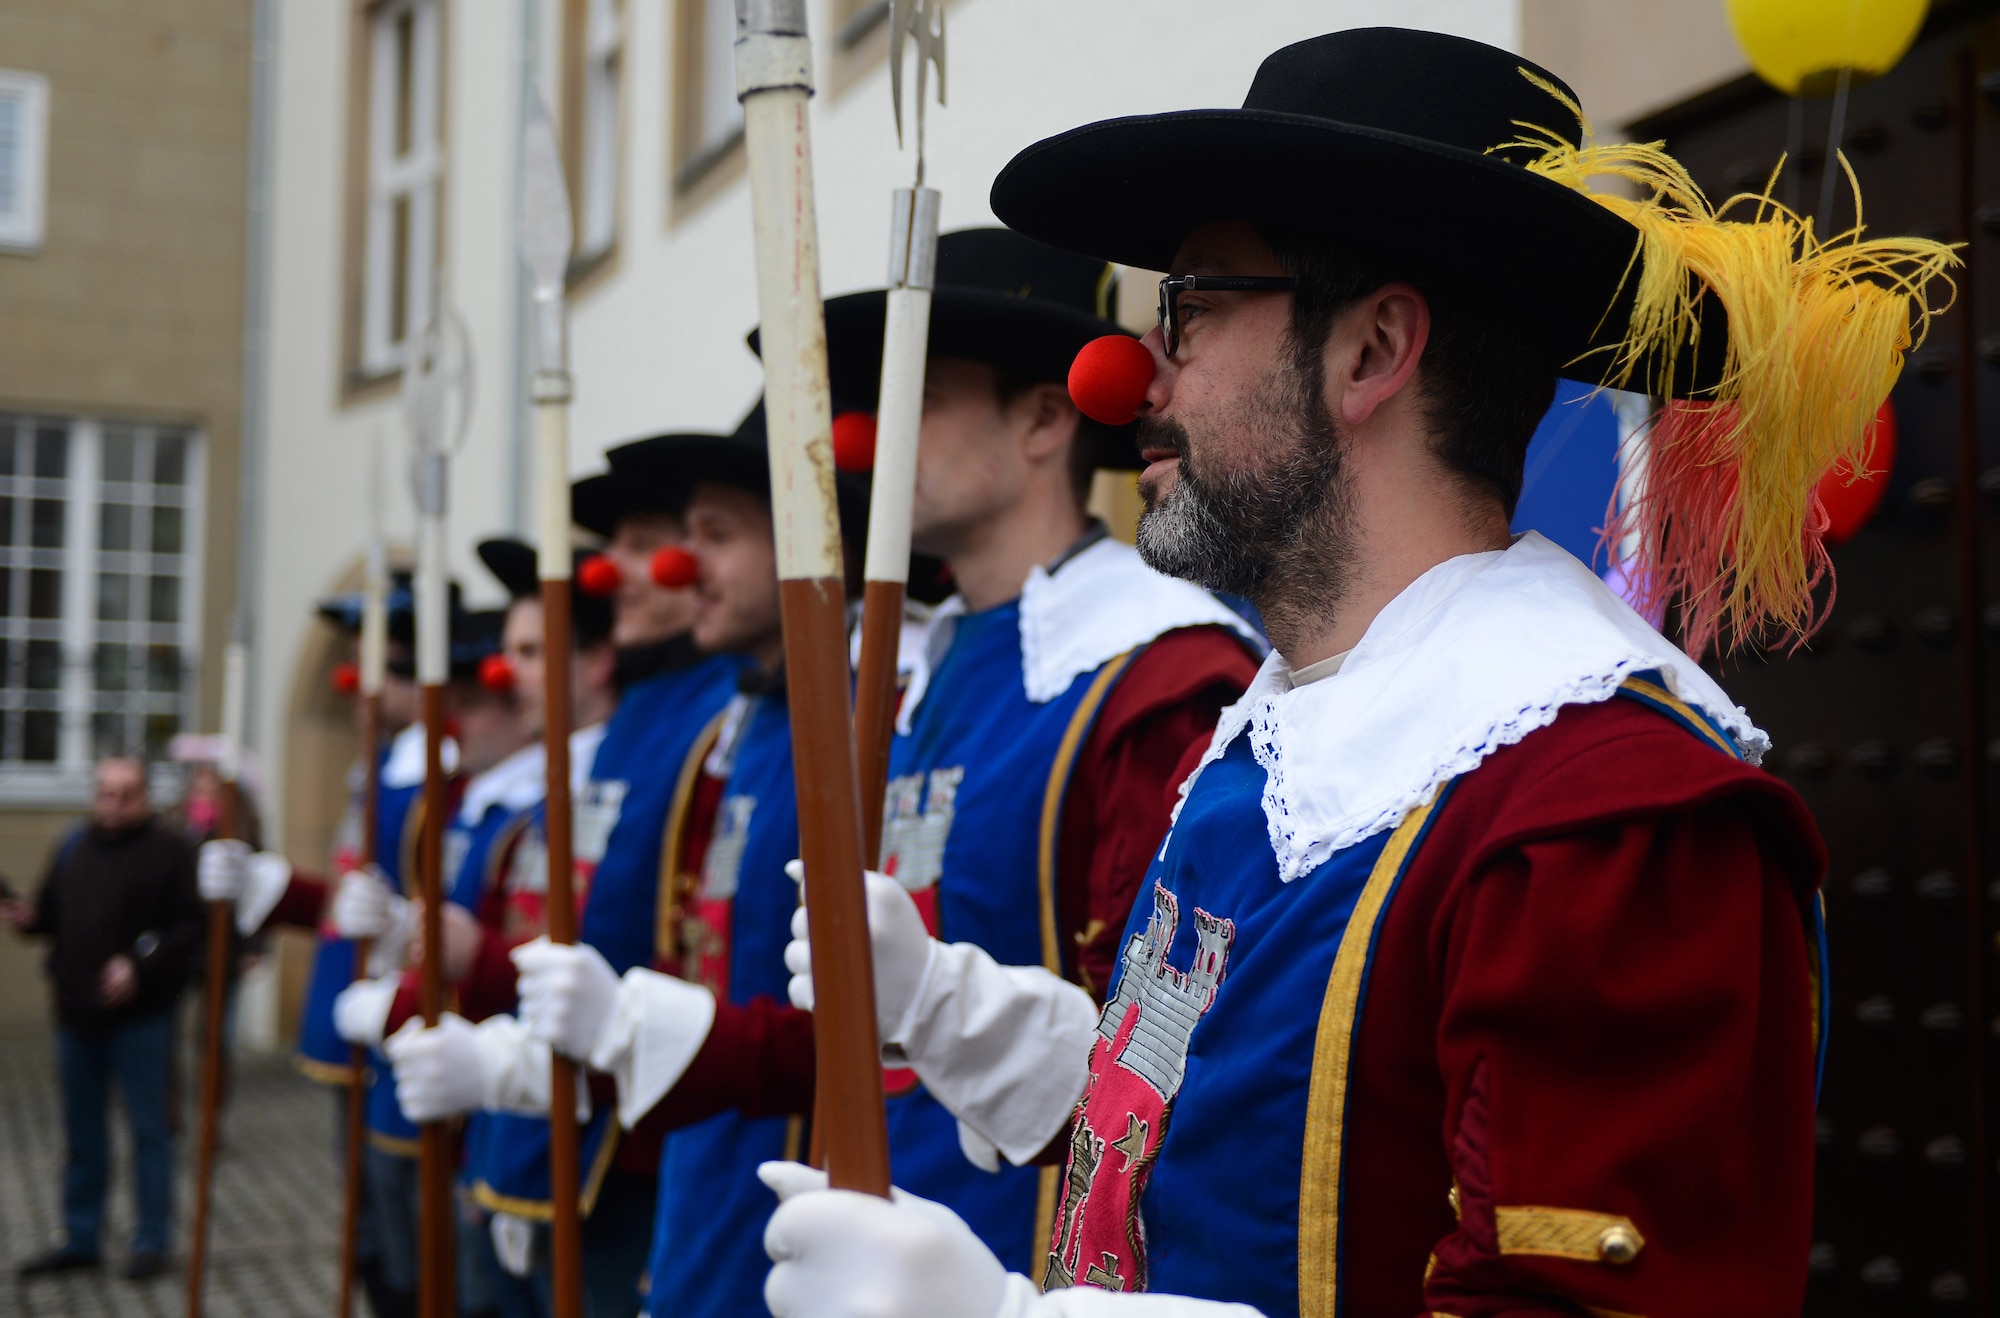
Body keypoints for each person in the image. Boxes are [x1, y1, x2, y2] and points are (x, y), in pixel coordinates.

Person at [758, 27, 1952, 1318]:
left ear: (1373, 350)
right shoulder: (1283, 738)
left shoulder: (1601, 813)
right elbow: (1218, 1134)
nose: (1131, 380)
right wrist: (945, 1003)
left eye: (1193, 304)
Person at [520, 227, 1265, 1279]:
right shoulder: (915, 670)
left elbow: (1155, 1056)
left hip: (1016, 1260)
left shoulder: (1154, 674)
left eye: (920, 394)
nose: (869, 439)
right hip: (866, 1239)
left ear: (1044, 417)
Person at [393, 406, 855, 1318]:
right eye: (646, 542)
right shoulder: (681, 716)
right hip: (650, 1132)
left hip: (682, 1138)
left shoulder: (730, 711)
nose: (640, 571)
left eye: (681, 540)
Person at [6, 756, 203, 1282]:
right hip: (76, 1013)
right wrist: (28, 917)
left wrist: (137, 963)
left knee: (148, 1131)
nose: (111, 805)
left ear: (145, 797)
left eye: (125, 794)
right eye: (105, 793)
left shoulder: (169, 851)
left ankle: (151, 1239)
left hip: (142, 1018)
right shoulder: (75, 845)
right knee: (82, 1135)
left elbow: (187, 927)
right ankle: (80, 1237)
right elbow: (52, 914)